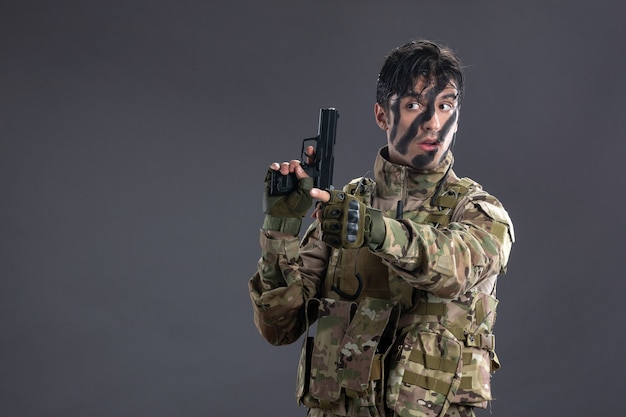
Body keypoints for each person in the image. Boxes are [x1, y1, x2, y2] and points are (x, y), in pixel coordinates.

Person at [248, 40, 515, 417]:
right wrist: (280, 229)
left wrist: (372, 229)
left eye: (445, 106)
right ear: (382, 116)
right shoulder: (343, 210)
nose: (432, 122)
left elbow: (453, 268)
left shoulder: (478, 212)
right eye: (413, 105)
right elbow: (279, 327)